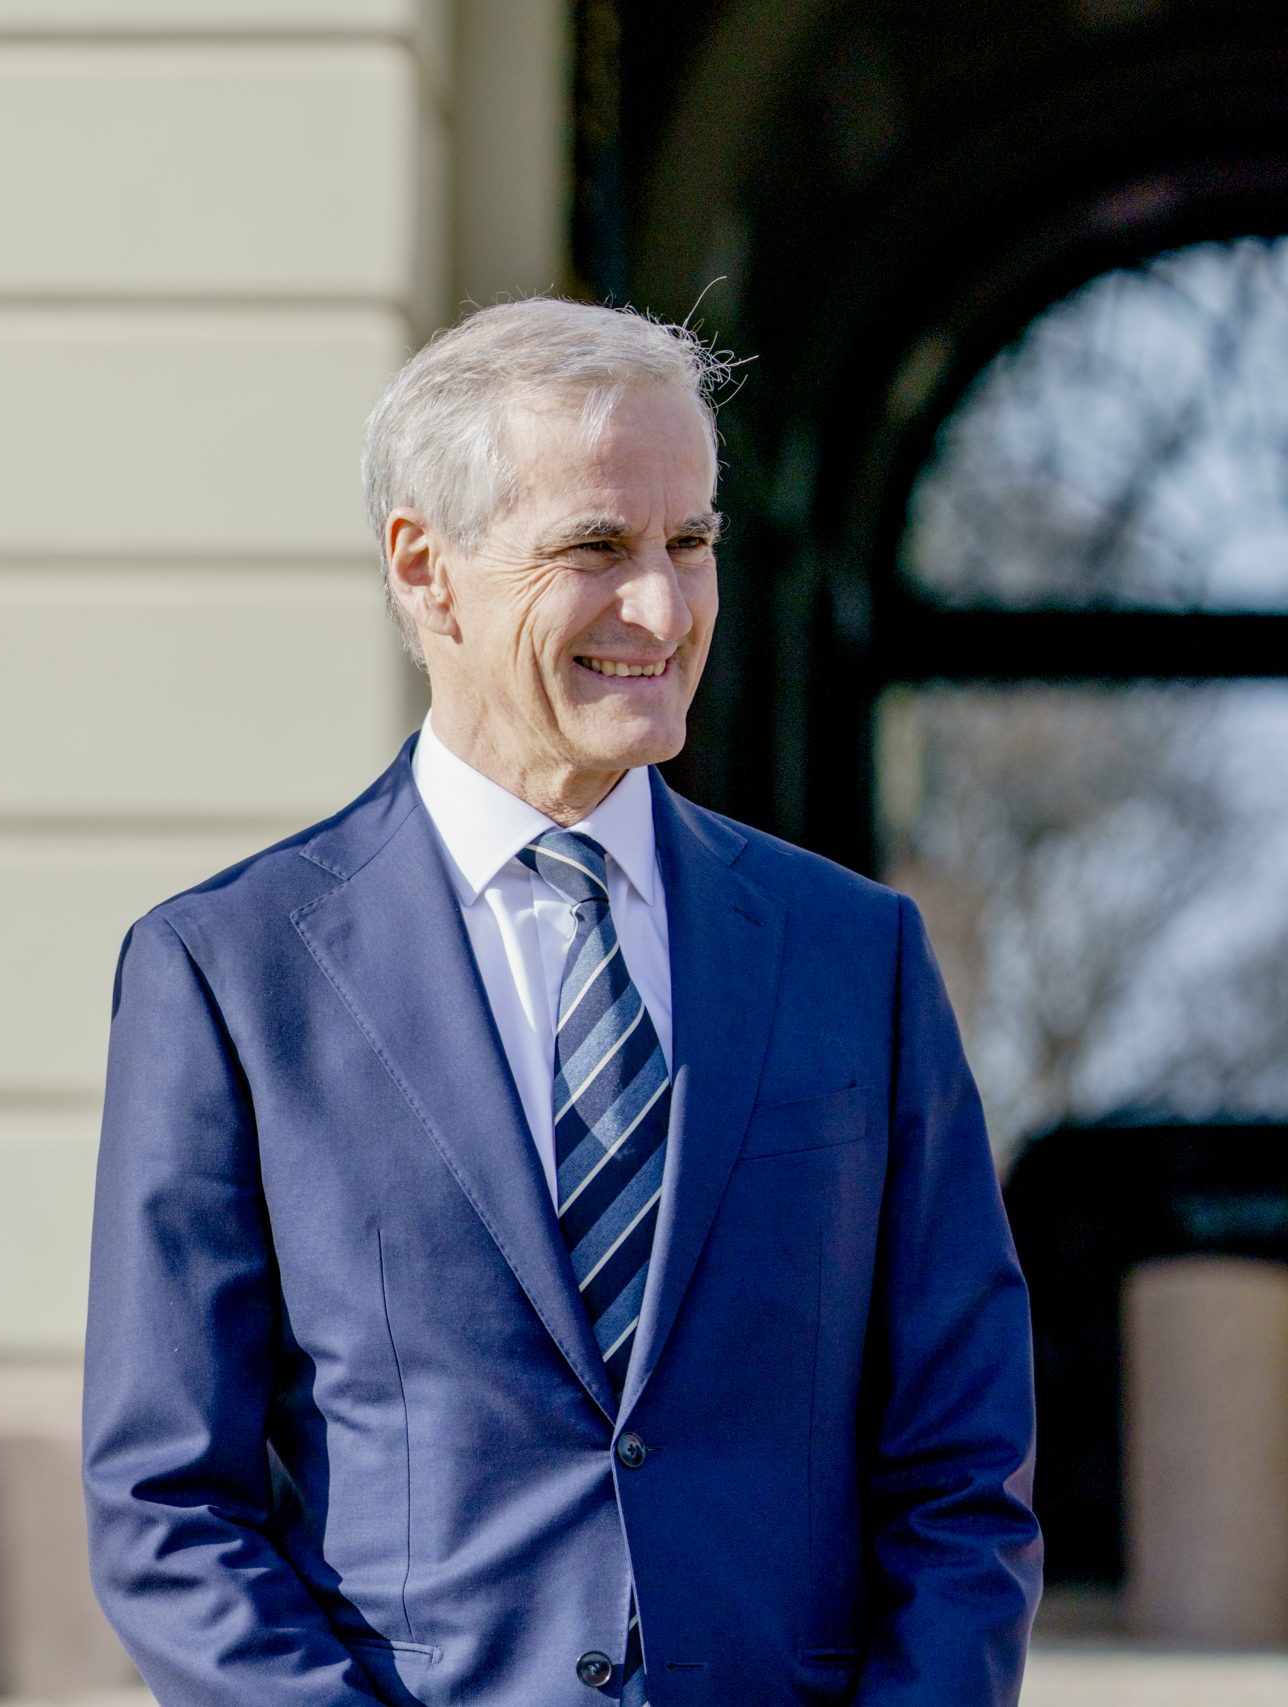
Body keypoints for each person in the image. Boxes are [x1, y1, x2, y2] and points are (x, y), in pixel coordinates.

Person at [81, 298, 1039, 1705]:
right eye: (596, 548)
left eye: (691, 543)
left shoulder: (858, 956)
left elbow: (964, 1470)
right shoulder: (230, 973)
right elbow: (169, 1505)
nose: (664, 608)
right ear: (428, 569)